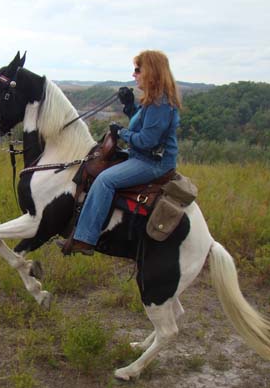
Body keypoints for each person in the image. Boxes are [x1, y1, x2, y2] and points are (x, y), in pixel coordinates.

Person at [61, 50, 181, 255]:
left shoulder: (160, 104)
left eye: (137, 70)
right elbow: (143, 124)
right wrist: (129, 105)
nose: (134, 75)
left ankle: (85, 239)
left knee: (105, 180)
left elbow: (147, 141)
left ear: (151, 72)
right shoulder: (153, 101)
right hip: (142, 156)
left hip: (153, 162)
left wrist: (121, 132)